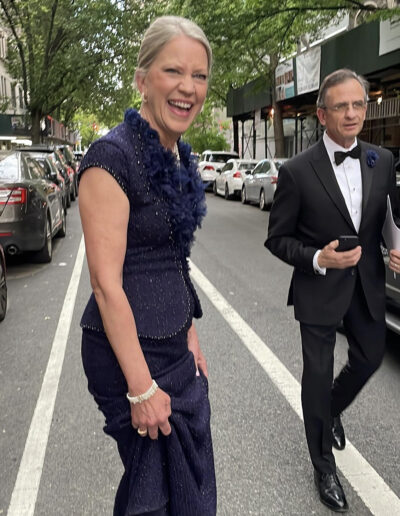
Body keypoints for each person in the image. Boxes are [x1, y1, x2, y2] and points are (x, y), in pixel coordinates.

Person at [78, 16, 216, 516]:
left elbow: (173, 255)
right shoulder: (110, 158)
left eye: (199, 76)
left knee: (186, 484)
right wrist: (141, 388)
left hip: (172, 342)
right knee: (153, 495)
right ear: (141, 79)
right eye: (173, 71)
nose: (188, 87)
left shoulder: (176, 152)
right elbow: (105, 285)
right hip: (126, 355)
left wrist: (190, 328)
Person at [265, 68, 400, 513]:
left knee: (370, 357)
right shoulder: (298, 171)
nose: (351, 113)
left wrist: (395, 246)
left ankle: (330, 410)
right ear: (322, 115)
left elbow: (383, 217)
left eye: (358, 104)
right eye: (340, 106)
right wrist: (319, 259)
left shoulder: (381, 159)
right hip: (317, 290)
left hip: (366, 285)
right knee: (317, 376)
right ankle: (323, 465)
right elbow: (277, 238)